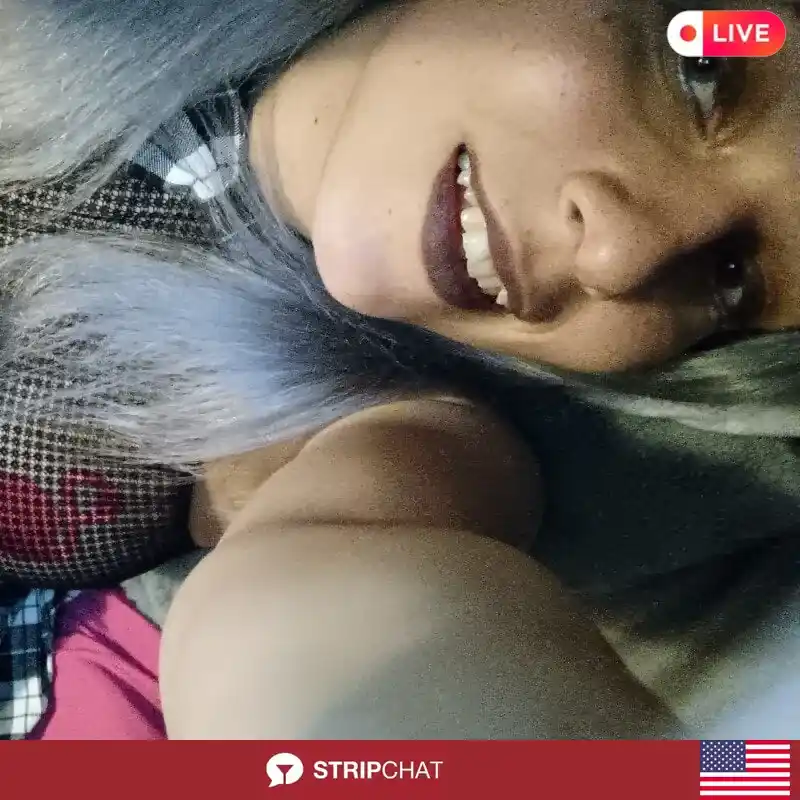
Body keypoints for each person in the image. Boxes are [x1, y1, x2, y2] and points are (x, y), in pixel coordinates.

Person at [1, 0, 799, 738]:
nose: (620, 257)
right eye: (702, 74)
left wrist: (722, 766)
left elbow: (321, 637)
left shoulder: (411, 443)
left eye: (732, 279)